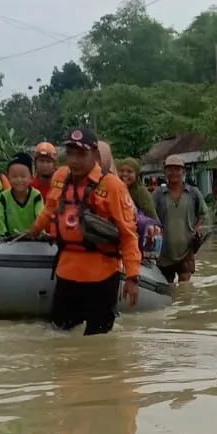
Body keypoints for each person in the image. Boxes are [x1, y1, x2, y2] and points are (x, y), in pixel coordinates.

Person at [26, 127, 141, 335]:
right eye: (70, 153)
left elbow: (128, 234)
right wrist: (34, 230)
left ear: (95, 155)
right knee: (58, 334)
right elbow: (49, 208)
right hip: (67, 271)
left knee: (98, 339)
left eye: (81, 154)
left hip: (102, 274)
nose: (74, 160)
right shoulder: (61, 176)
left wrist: (132, 277)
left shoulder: (113, 186)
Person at [153, 154, 211, 283]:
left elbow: (203, 213)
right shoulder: (158, 194)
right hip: (164, 251)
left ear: (183, 171)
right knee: (168, 288)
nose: (174, 173)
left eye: (177, 169)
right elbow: (150, 215)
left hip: (187, 249)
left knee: (185, 288)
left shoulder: (193, 193)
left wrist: (198, 227)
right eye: (170, 169)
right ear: (165, 172)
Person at [1, 153, 45, 235]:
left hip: (33, 239)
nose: (19, 180)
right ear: (8, 177)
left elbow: (40, 216)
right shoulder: (3, 197)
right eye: (14, 176)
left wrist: (38, 231)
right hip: (9, 241)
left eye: (23, 176)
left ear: (31, 177)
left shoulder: (36, 196)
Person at [117, 157, 158, 222]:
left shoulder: (141, 192)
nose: (124, 174)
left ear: (136, 175)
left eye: (129, 171)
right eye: (122, 171)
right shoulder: (115, 189)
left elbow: (152, 215)